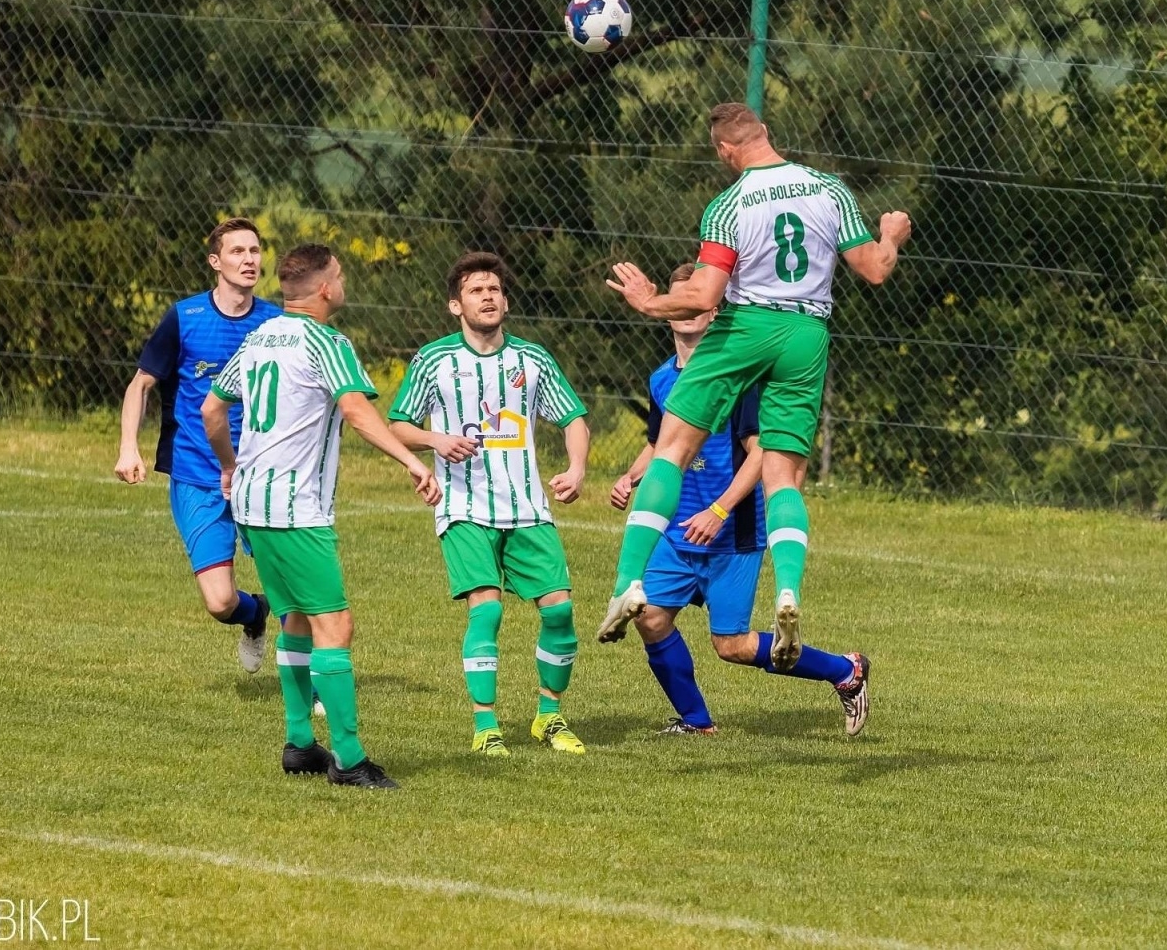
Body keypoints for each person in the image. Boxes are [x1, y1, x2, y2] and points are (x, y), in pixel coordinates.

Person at [601, 102, 912, 670]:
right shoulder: (828, 188)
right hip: (805, 331)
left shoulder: (728, 205)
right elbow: (874, 268)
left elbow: (701, 297)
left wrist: (648, 301)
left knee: (672, 446)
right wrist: (890, 233)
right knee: (784, 474)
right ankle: (788, 592)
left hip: (747, 327)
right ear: (765, 133)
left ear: (725, 151)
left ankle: (627, 581)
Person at [202, 244, 440, 789]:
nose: (343, 281)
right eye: (340, 274)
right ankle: (351, 760)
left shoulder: (259, 337)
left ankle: (300, 744)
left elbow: (212, 409)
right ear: (326, 288)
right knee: (336, 625)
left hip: (254, 504)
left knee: (297, 620)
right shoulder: (327, 341)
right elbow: (356, 411)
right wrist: (410, 459)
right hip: (294, 509)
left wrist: (230, 466)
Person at [612, 265, 870, 736]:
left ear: (713, 310)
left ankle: (845, 671)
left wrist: (720, 509)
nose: (687, 309)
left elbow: (763, 454)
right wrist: (631, 478)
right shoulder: (661, 380)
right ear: (672, 312)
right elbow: (660, 445)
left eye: (697, 298)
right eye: (679, 299)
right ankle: (696, 721)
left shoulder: (739, 377)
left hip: (731, 532)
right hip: (675, 531)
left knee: (731, 645)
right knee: (649, 618)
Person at [387, 251, 592, 757]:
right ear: (455, 305)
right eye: (477, 290)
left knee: (561, 611)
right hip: (463, 506)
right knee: (487, 612)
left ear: (506, 300)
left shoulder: (533, 358)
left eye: (495, 289)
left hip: (526, 506)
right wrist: (436, 441)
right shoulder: (435, 360)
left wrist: (577, 467)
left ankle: (548, 715)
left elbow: (573, 419)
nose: (488, 297)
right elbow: (397, 425)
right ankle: (486, 726)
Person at [115, 218, 279, 672]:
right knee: (220, 601)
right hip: (196, 475)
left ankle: (320, 690)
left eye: (255, 250)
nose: (249, 260)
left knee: (293, 589)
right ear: (215, 261)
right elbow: (141, 383)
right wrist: (129, 446)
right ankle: (255, 613)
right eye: (237, 252)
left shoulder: (275, 323)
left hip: (259, 476)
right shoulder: (184, 318)